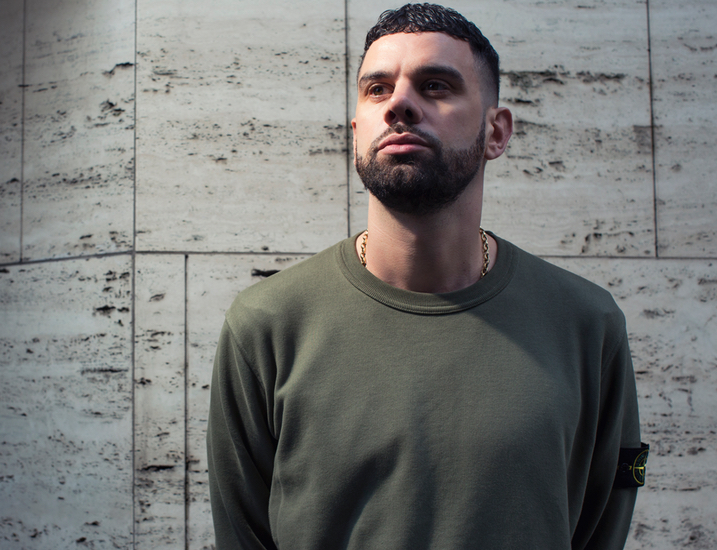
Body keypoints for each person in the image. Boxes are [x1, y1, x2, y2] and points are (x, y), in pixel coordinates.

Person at [206, 3, 646, 550]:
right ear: (356, 133)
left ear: (496, 131)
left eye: (436, 86)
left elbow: (607, 514)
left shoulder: (586, 324)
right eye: (377, 89)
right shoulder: (265, 326)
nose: (399, 104)